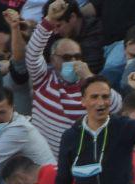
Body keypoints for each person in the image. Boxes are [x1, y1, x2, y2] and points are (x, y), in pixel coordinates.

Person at [24, 0, 122, 156]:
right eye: (66, 57)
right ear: (53, 59)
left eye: (77, 57)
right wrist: (49, 19)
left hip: (74, 161)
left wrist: (90, 77)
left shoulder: (90, 88)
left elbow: (117, 105)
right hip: (44, 161)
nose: (73, 62)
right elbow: (32, 54)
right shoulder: (43, 79)